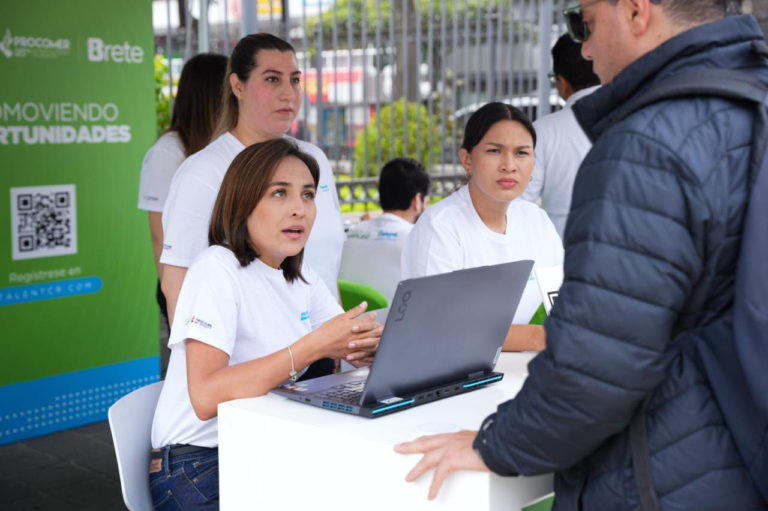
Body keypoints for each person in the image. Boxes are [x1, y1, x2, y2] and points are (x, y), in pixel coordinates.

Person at [395, 2, 768, 509]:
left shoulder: (645, 146)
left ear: (635, 12)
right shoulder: (752, 106)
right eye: (494, 151)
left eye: (585, 25)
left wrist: (499, 444)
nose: (585, 51)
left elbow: (598, 361)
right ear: (466, 158)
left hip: (665, 473)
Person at [149, 139, 382, 510]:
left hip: (262, 441)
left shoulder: (298, 273)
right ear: (243, 202)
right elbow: (206, 397)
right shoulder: (217, 269)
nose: (299, 209)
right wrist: (313, 346)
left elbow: (352, 343)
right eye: (279, 193)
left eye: (308, 195)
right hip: (201, 463)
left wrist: (383, 345)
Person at [160, 33, 345, 326]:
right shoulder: (205, 171)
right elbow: (177, 284)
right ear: (237, 86)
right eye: (272, 79)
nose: (288, 93)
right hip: (251, 363)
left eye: (294, 80)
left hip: (322, 349)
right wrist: (201, 366)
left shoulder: (313, 159)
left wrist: (342, 339)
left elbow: (324, 266)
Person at [400, 102, 563, 351]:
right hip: (444, 376)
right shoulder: (440, 227)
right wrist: (540, 337)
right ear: (466, 159)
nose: (509, 165)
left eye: (522, 153)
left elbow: (564, 301)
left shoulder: (536, 221)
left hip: (512, 370)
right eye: (495, 151)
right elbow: (437, 327)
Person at [137, 53, 227, 373]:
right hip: (185, 287)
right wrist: (178, 307)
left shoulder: (221, 146)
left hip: (223, 282)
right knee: (194, 377)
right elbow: (160, 238)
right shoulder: (168, 152)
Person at [520, 34, 600, 238]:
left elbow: (520, 205)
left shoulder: (544, 131)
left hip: (562, 258)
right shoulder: (634, 118)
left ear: (562, 82)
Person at [339, 158, 431, 303]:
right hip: (395, 323)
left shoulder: (349, 235)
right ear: (417, 201)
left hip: (350, 322)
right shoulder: (420, 240)